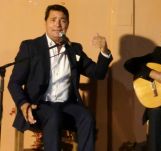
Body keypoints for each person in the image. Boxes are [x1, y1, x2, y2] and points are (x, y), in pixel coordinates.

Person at [8, 4, 112, 151]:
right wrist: (23, 104)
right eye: (53, 20)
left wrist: (104, 50)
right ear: (45, 22)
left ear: (67, 24)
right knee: (53, 115)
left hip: (67, 105)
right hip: (40, 106)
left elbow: (98, 73)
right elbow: (14, 83)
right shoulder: (31, 47)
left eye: (62, 20)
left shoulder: (74, 49)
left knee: (86, 117)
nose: (58, 24)